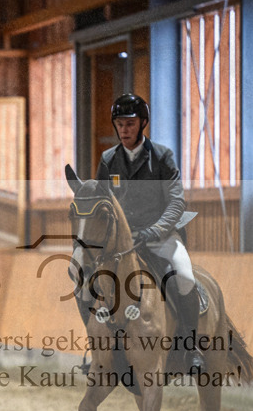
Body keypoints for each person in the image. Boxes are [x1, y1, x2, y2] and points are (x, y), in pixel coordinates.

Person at [78, 92, 205, 372]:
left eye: (130, 124)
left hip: (159, 236)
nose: (124, 129)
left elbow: (176, 202)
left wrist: (154, 230)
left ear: (143, 124)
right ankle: (97, 349)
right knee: (84, 282)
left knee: (183, 275)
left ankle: (191, 345)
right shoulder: (109, 159)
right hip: (122, 241)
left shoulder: (162, 157)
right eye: (120, 124)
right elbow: (103, 201)